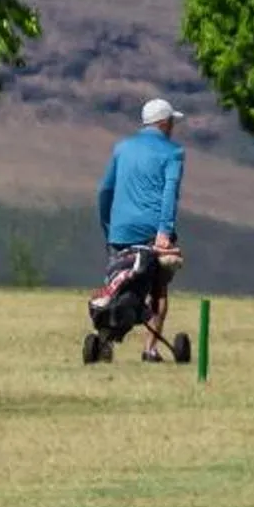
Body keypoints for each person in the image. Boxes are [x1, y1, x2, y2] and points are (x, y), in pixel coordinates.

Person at [90, 97, 188, 358]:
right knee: (158, 288)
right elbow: (170, 193)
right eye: (171, 123)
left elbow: (104, 190)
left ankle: (105, 342)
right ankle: (150, 349)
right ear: (165, 123)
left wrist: (108, 225)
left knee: (116, 282)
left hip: (119, 231)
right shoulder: (174, 153)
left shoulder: (122, 148)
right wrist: (164, 233)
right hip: (152, 232)